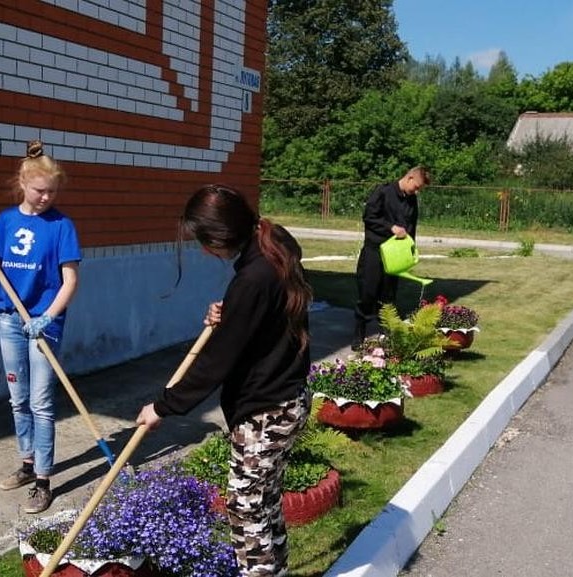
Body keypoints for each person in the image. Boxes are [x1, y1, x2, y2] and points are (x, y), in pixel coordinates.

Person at [135, 184, 313, 576]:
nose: (202, 251)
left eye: (204, 242)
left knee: (246, 508)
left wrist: (164, 406)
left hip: (267, 410)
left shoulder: (254, 277)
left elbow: (216, 362)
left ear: (221, 236)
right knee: (262, 502)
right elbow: (262, 315)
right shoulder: (274, 243)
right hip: (287, 398)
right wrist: (233, 313)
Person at [0, 140, 82, 514]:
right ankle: (27, 464)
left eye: (52, 191)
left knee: (42, 402)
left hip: (44, 323)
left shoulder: (62, 226)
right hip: (10, 321)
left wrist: (48, 316)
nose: (45, 197)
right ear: (23, 183)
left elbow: (70, 282)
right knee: (18, 400)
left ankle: (44, 481)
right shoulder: (5, 222)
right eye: (39, 190)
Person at [353, 165, 431, 347]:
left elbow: (412, 227)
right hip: (375, 251)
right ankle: (359, 333)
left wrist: (410, 250)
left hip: (395, 256)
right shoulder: (383, 192)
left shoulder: (411, 201)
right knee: (368, 292)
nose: (417, 192)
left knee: (388, 295)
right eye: (417, 187)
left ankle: (385, 335)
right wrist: (391, 228)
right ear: (410, 178)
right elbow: (369, 217)